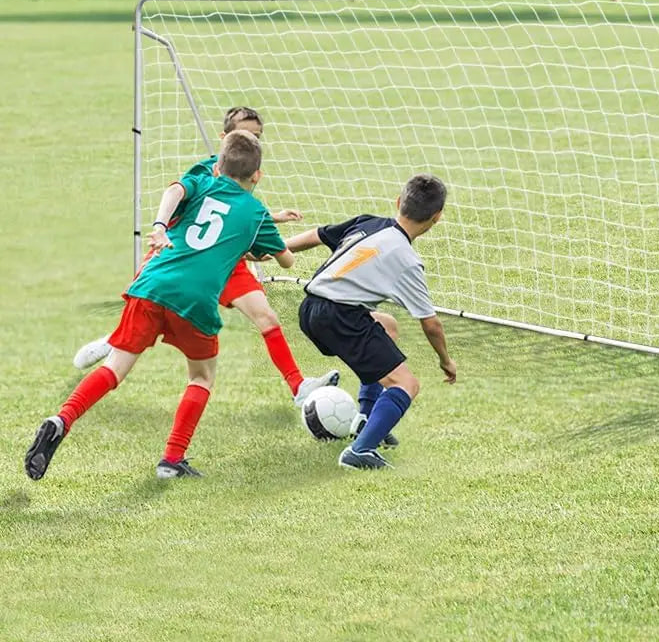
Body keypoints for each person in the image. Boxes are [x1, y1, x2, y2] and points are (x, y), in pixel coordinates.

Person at [25, 130, 298, 480]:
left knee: (114, 368)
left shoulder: (203, 181)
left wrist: (159, 227)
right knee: (201, 376)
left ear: (218, 165)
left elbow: (174, 191)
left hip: (152, 283)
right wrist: (250, 247)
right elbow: (286, 261)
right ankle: (172, 459)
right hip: (195, 299)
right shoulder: (257, 213)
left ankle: (62, 419)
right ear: (257, 175)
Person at [72, 106, 337, 407]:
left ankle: (298, 386)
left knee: (266, 316)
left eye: (258, 136)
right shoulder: (205, 170)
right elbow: (183, 198)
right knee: (156, 320)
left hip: (227, 262)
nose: (254, 140)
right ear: (225, 138)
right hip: (186, 257)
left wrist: (274, 218)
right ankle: (114, 340)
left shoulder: (244, 173)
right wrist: (160, 228)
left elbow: (236, 220)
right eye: (246, 134)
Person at [284, 174, 457, 470]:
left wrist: (273, 248)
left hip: (310, 308)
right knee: (406, 384)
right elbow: (431, 324)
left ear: (399, 202)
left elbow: (316, 234)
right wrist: (445, 360)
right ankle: (360, 451)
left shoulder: (369, 223)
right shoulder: (406, 260)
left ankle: (365, 418)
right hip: (339, 317)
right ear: (437, 217)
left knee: (386, 325)